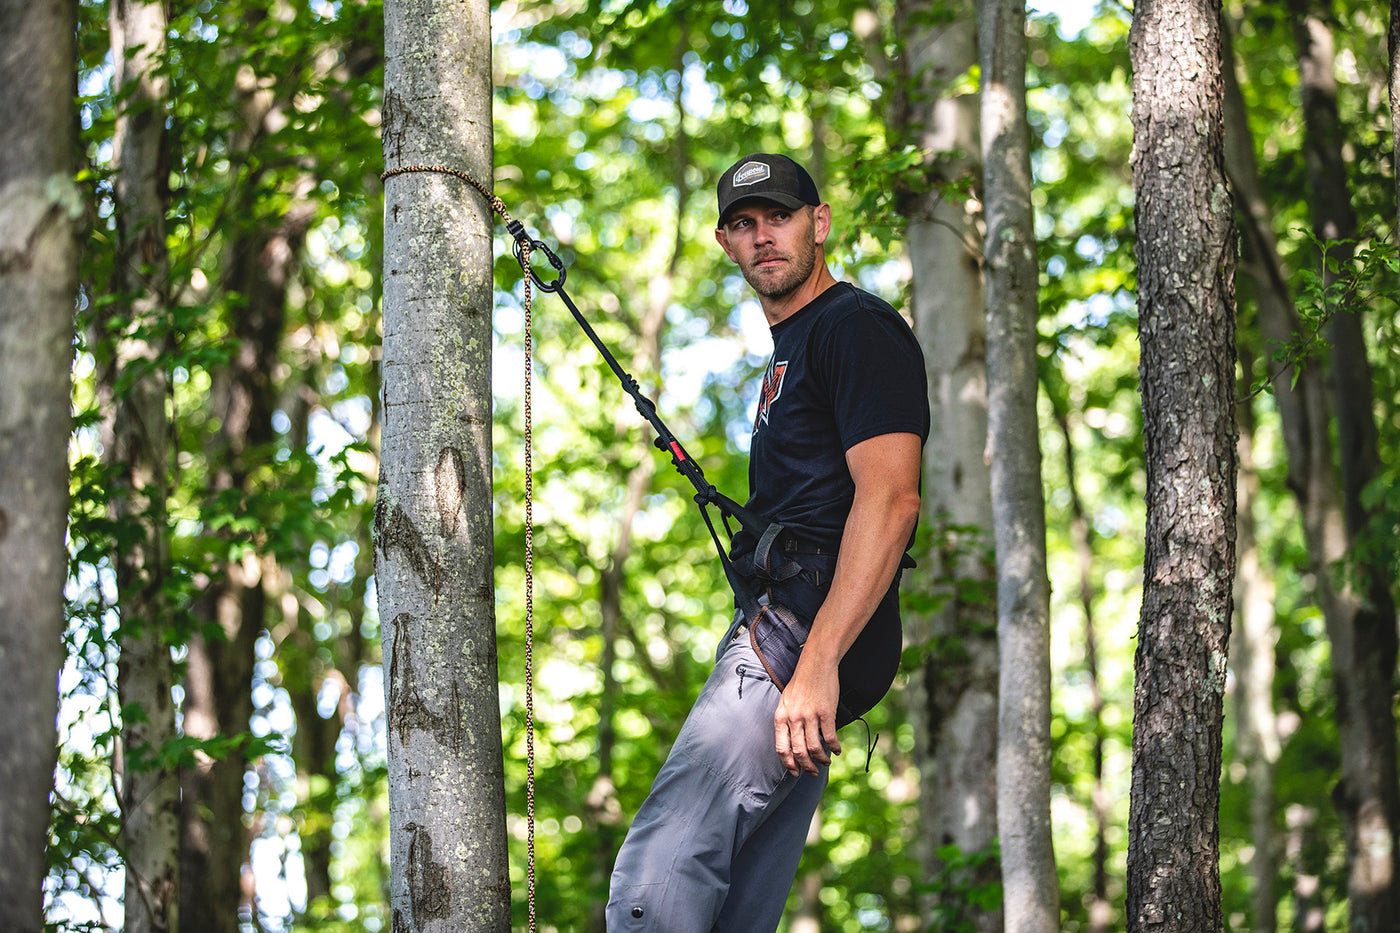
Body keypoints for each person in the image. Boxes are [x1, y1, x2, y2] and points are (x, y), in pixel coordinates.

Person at [606, 152, 929, 932]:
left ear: (820, 223)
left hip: (802, 640)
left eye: (780, 216)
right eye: (744, 223)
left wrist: (815, 665)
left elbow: (891, 501)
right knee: (733, 910)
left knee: (654, 885)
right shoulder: (795, 346)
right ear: (725, 242)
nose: (763, 236)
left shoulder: (853, 327)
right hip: (800, 637)